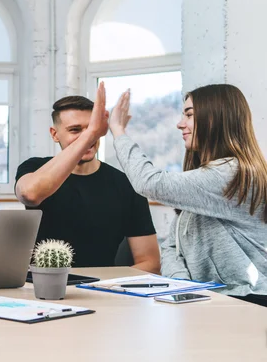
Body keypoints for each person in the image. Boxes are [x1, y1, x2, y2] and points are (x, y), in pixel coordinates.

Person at [110, 84, 267, 304]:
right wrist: (184, 286)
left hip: (249, 301)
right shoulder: (204, 183)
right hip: (210, 300)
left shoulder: (232, 173)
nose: (180, 124)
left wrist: (118, 131)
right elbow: (172, 245)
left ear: (216, 118)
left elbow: (149, 182)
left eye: (189, 115)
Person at [14, 84, 161, 272]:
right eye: (75, 130)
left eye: (91, 128)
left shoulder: (126, 184)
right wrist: (91, 133)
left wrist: (105, 286)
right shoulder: (34, 167)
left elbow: (151, 263)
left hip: (103, 291)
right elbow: (30, 194)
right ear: (55, 134)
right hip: (42, 286)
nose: (88, 137)